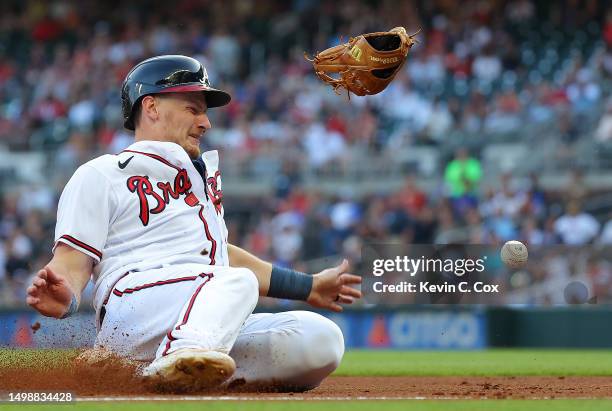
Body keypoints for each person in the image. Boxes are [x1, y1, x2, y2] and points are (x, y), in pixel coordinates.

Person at [26, 55, 361, 391]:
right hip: (134, 309)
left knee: (321, 340)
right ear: (152, 107)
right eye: (193, 108)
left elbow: (222, 258)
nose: (206, 123)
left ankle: (148, 371)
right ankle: (183, 355)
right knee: (236, 282)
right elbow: (72, 262)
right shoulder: (103, 173)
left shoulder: (200, 179)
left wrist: (308, 286)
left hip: (203, 308)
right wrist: (66, 296)